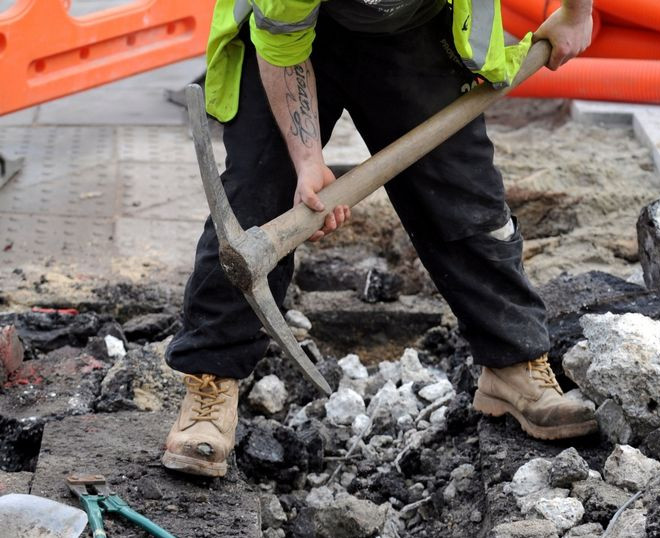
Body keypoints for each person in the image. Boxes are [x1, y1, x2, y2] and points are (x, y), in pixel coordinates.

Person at [161, 0, 596, 478]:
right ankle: (210, 383)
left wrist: (576, 14)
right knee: (254, 200)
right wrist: (308, 163)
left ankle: (513, 365)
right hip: (287, 35)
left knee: (463, 194)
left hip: (416, 33)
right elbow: (282, 43)